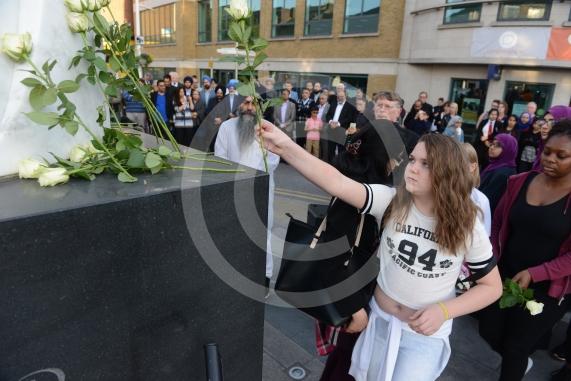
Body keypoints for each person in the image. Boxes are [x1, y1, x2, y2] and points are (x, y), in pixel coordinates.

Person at [258, 123, 502, 381]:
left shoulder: (467, 223)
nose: (412, 168)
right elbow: (338, 183)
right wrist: (284, 146)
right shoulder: (392, 201)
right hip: (378, 322)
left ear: (448, 172)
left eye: (426, 164)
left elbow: (491, 287)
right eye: (412, 160)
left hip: (423, 336)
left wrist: (444, 311)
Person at [479, 120, 571, 381]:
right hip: (505, 274)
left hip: (549, 288)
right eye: (548, 152)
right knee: (489, 331)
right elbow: (498, 224)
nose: (551, 159)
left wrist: (537, 273)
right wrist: (493, 258)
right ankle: (519, 363)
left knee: (516, 347)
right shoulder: (519, 181)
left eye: (561, 156)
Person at [214, 96, 280, 294]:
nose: (249, 108)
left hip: (261, 191)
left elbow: (274, 160)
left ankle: (265, 278)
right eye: (246, 103)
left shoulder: (268, 129)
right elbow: (220, 159)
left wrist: (252, 179)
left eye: (254, 104)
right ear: (239, 105)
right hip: (232, 191)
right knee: (234, 233)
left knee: (262, 235)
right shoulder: (226, 127)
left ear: (260, 106)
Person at [478, 134, 518, 215]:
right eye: (492, 144)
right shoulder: (496, 164)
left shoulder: (504, 172)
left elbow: (487, 198)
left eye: (498, 145)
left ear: (508, 149)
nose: (492, 147)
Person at [462, 143, 491, 236]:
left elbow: (484, 236)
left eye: (459, 161)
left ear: (472, 167)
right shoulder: (438, 191)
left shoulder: (481, 200)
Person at [325, 89, 357, 162]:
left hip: (342, 131)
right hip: (331, 130)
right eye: (338, 96)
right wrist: (330, 122)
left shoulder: (350, 106)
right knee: (330, 150)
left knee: (341, 151)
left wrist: (338, 124)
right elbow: (328, 115)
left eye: (342, 96)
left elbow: (350, 118)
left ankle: (340, 167)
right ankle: (331, 166)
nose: (340, 98)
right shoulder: (333, 103)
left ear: (346, 96)